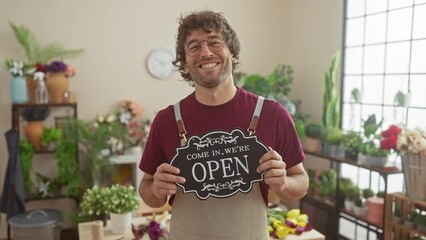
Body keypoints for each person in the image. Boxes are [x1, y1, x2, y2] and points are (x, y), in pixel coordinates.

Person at [139, 10, 309, 240]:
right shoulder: (166, 120)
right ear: (185, 64)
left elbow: (301, 181)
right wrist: (155, 189)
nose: (206, 52)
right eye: (193, 47)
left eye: (215, 42)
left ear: (233, 54)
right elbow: (147, 190)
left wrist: (283, 182)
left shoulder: (273, 114)